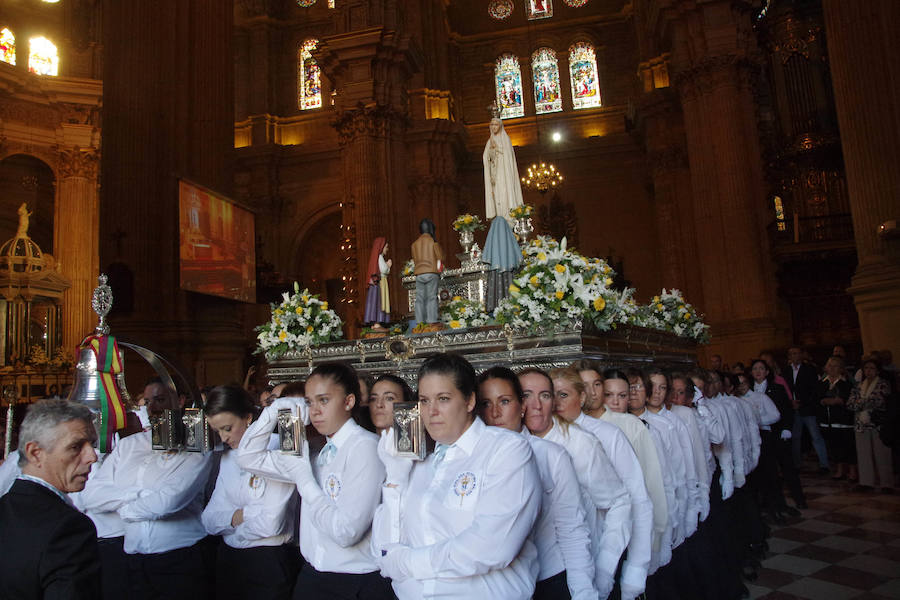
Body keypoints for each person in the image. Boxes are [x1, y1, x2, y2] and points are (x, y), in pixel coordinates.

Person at [372, 353, 541, 599]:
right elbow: (383, 548)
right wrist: (395, 480)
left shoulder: (506, 449)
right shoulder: (419, 462)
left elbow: (491, 547)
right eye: (424, 400)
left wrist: (406, 562)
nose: (432, 411)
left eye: (443, 399)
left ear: (470, 400)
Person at [238, 362, 392, 600]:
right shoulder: (316, 450)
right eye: (309, 402)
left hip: (354, 582)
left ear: (349, 401)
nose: (315, 411)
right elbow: (248, 457)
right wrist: (274, 410)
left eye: (324, 400)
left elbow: (346, 532)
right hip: (312, 577)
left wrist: (304, 479)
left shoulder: (365, 447)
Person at [78, 380, 213, 600]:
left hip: (179, 558)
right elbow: (90, 497)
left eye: (160, 400)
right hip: (132, 557)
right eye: (148, 402)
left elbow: (167, 503)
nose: (152, 408)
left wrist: (122, 509)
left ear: (179, 401)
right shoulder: (128, 445)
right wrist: (137, 495)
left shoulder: (196, 443)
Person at [478, 367, 597, 600]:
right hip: (492, 586)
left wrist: (584, 591)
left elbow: (572, 528)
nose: (495, 412)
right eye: (486, 403)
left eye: (504, 401)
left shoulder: (551, 455)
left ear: (521, 406)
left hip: (549, 578)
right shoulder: (468, 458)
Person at [562, 365, 656, 600]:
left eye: (596, 385)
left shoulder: (608, 433)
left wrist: (636, 566)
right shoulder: (548, 433)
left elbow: (637, 497)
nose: (592, 392)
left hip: (608, 547)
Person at [201, 385, 300, 600]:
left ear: (247, 417)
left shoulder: (278, 449)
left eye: (227, 428)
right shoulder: (227, 459)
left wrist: (232, 523)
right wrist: (246, 515)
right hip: (229, 560)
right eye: (217, 431)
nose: (224, 437)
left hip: (268, 562)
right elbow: (208, 520)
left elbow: (272, 524)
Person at [0, 399, 101, 599]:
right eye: (76, 446)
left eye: (92, 444)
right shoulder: (69, 528)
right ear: (35, 453)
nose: (92, 456)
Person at [847, 358, 894, 491]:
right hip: (860, 424)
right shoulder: (858, 385)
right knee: (863, 453)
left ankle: (886, 483)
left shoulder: (883, 384)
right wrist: (863, 402)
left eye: (872, 368)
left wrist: (860, 403)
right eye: (866, 368)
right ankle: (866, 482)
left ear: (877, 370)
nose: (868, 371)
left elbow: (878, 401)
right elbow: (850, 403)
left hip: (877, 423)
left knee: (882, 453)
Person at [786, 346, 829, 471]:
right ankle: (797, 463)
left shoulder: (810, 369)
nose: (795, 356)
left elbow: (814, 389)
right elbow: (786, 389)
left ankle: (824, 464)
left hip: (808, 408)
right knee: (795, 437)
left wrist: (803, 402)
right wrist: (791, 403)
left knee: (815, 436)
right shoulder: (786, 370)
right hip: (793, 408)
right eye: (792, 354)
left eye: (797, 353)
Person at [817, 356, 855, 481]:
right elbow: (818, 398)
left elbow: (846, 399)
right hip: (827, 421)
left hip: (843, 421)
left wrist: (835, 401)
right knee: (834, 447)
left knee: (848, 446)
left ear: (841, 369)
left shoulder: (846, 383)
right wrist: (825, 401)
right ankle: (839, 470)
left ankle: (852, 471)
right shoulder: (822, 383)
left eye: (835, 366)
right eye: (830, 365)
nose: (832, 368)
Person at [483, 116, 524, 223]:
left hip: (504, 174)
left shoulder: (505, 139)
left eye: (496, 125)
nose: (493, 127)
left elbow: (508, 155)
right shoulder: (489, 141)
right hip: (494, 174)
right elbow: (486, 157)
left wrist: (497, 149)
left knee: (505, 193)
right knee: (496, 195)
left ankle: (508, 217)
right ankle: (499, 216)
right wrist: (491, 152)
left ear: (500, 126)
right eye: (491, 125)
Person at [411, 218, 443, 327]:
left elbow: (415, 260)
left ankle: (419, 322)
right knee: (431, 297)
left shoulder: (414, 244)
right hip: (431, 272)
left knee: (419, 299)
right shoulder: (433, 241)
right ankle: (431, 320)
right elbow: (440, 256)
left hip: (419, 274)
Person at [364, 237, 392, 329]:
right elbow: (383, 270)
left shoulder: (379, 258)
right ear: (381, 247)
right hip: (379, 284)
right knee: (378, 302)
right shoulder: (379, 257)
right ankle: (376, 322)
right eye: (386, 247)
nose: (387, 249)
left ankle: (376, 323)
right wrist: (388, 266)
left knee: (377, 302)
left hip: (379, 283)